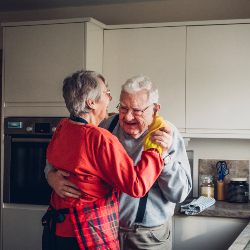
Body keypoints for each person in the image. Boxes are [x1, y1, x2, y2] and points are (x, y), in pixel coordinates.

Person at [45, 75, 192, 250]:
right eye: (123, 108)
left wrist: (165, 158)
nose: (128, 116)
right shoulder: (104, 127)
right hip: (102, 232)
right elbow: (61, 156)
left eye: (136, 110)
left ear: (154, 109)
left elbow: (179, 194)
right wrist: (51, 176)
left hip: (147, 237)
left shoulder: (168, 135)